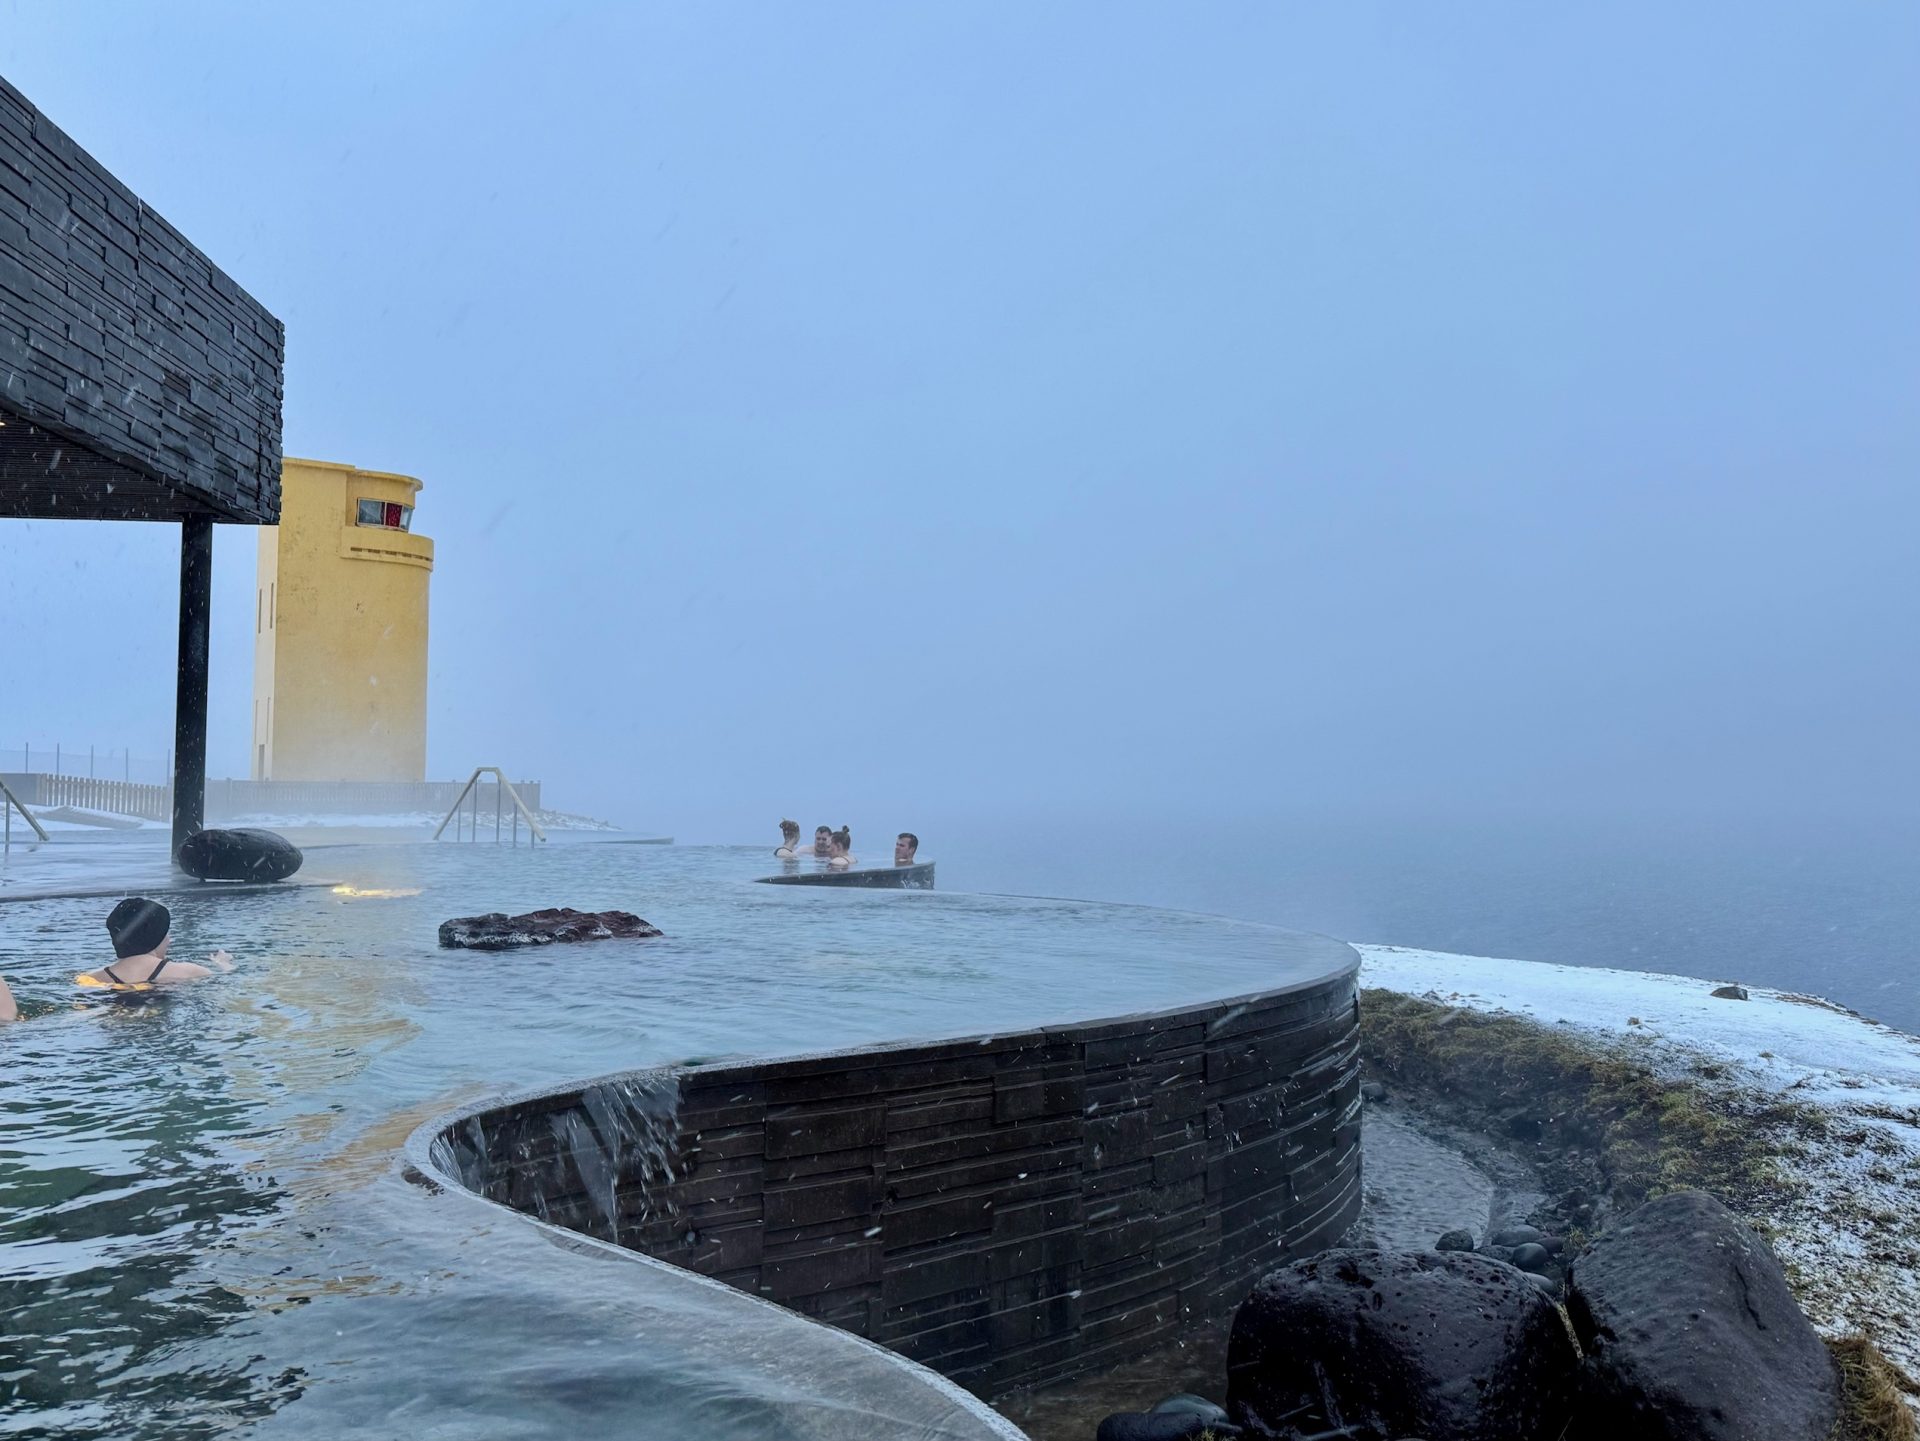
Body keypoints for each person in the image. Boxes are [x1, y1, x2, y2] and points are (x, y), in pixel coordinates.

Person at [75, 898, 233, 993]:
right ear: (157, 936)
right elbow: (225, 989)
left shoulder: (90, 978)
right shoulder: (190, 971)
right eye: (166, 933)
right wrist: (223, 965)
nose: (169, 940)